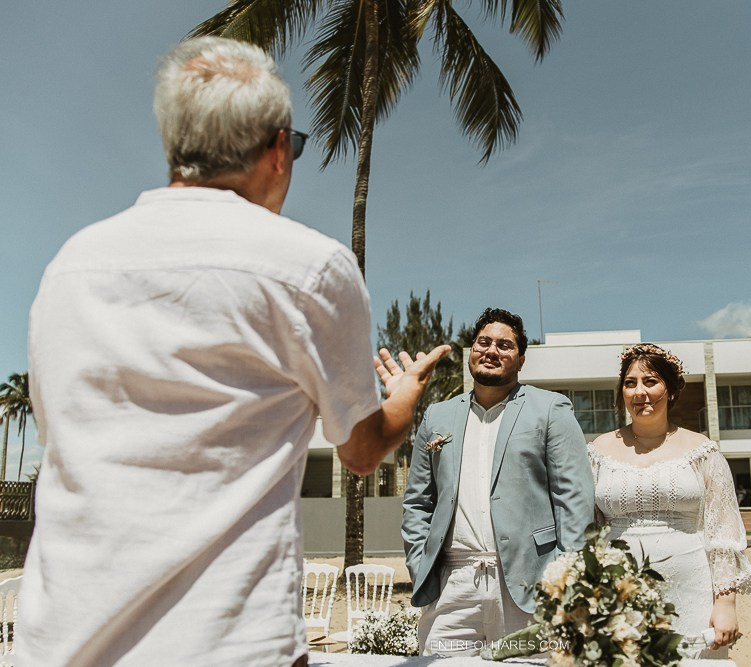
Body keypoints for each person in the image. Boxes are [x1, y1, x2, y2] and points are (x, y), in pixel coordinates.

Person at [20, 36, 449, 667]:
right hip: (229, 643)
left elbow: (63, 437)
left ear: (175, 149)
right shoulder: (309, 267)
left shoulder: (70, 268)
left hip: (59, 642)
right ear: (277, 149)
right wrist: (405, 397)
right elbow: (360, 452)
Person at [388, 308, 594, 656]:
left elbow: (574, 500)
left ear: (521, 359)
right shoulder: (437, 416)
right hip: (452, 585)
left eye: (504, 345)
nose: (492, 350)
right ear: (472, 350)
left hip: (531, 584)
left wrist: (562, 577)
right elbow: (418, 502)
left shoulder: (550, 409)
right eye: (483, 342)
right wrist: (419, 565)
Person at [588, 343, 751, 659]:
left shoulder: (702, 450)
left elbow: (724, 532)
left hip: (691, 590)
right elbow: (588, 529)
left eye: (650, 381)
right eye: (630, 383)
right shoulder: (598, 451)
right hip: (618, 593)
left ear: (672, 390)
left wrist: (726, 603)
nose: (640, 392)